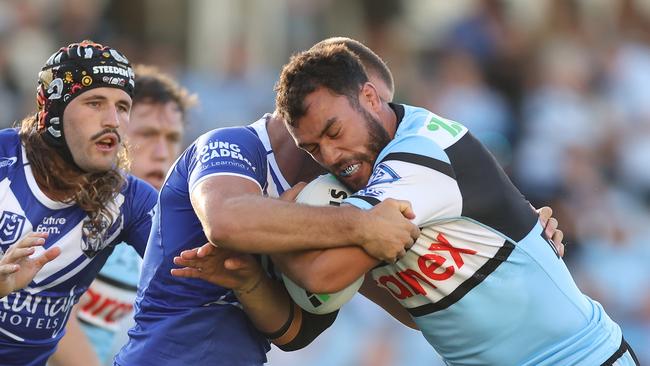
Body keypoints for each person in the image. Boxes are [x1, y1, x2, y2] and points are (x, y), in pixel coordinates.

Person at [266, 43, 639, 365]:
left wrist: (279, 233)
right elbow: (421, 315)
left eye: (335, 132)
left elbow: (320, 277)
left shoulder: (418, 157)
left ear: (369, 97)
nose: (330, 155)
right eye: (312, 148)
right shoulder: (362, 184)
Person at [114, 37, 422, 366]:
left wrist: (252, 282)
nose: (383, 132)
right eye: (373, 108)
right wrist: (361, 225)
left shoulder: (335, 195)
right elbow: (226, 220)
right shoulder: (232, 145)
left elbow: (297, 332)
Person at [0, 40, 157, 366]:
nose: (112, 120)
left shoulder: (130, 201)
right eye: (95, 103)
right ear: (53, 111)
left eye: (123, 107)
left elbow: (195, 278)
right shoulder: (4, 160)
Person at [49, 65, 196, 366]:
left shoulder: (161, 224)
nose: (161, 152)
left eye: (172, 138)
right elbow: (49, 313)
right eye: (147, 134)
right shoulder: (79, 206)